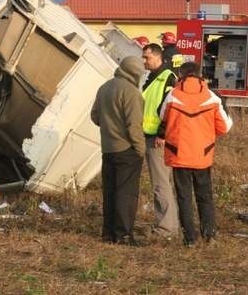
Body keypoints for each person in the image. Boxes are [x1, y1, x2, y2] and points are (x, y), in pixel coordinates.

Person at [159, 62, 233, 246]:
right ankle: (209, 235)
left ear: (181, 74)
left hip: (179, 154)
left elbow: (162, 117)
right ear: (199, 74)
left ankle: (189, 239)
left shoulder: (172, 95)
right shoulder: (211, 97)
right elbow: (224, 127)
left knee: (184, 197)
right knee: (204, 196)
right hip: (202, 154)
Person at [91, 56, 146, 246]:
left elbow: (95, 116)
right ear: (135, 73)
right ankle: (123, 235)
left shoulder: (104, 87)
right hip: (127, 149)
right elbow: (134, 126)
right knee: (126, 193)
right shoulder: (131, 92)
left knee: (110, 191)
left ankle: (108, 233)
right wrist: (140, 149)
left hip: (108, 149)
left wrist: (109, 127)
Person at [141, 43, 179, 238]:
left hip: (158, 140)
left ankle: (166, 228)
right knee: (160, 183)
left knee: (161, 183)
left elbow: (171, 110)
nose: (144, 61)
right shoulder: (152, 78)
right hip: (150, 136)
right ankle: (169, 224)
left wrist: (162, 135)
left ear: (158, 57)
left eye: (147, 57)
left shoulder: (167, 78)